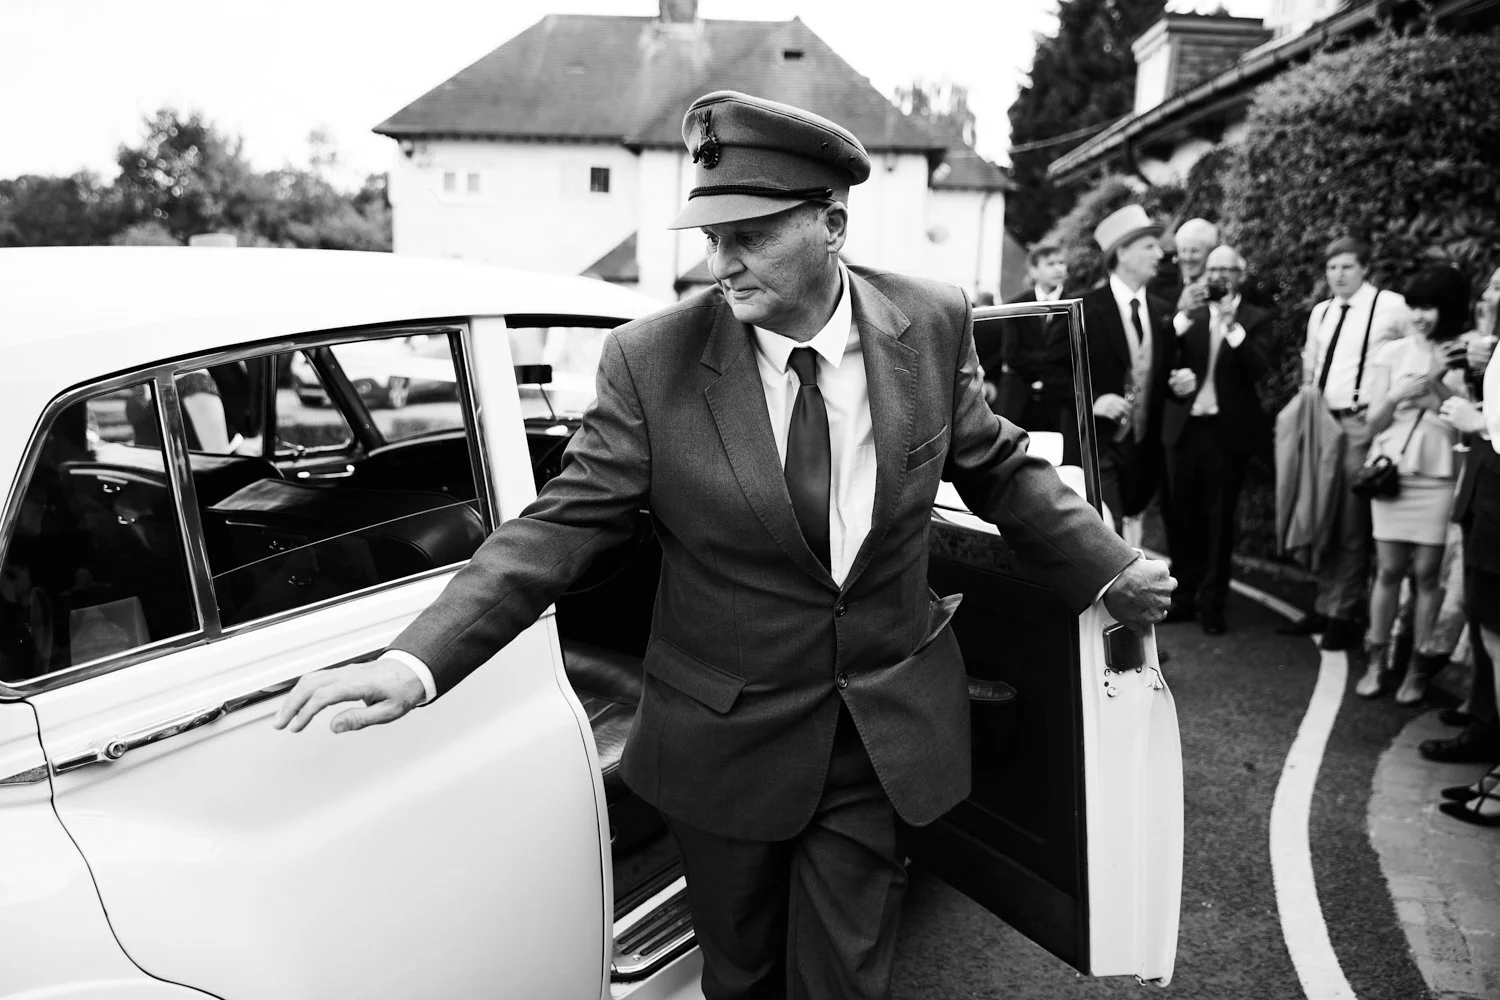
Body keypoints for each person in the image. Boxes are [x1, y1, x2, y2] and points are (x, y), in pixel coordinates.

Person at [271, 91, 1176, 1000]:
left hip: (881, 731)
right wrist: (414, 664)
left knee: (845, 983)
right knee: (741, 980)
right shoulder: (650, 359)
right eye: (711, 235)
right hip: (724, 743)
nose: (722, 262)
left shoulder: (932, 321)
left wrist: (1109, 566)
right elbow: (560, 525)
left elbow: (999, 467)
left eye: (748, 234)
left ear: (831, 222)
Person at [1279, 236, 1408, 649]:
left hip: (1359, 423)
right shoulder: (1322, 311)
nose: (1338, 275)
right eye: (1332, 268)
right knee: (1322, 515)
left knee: (1351, 522)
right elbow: (1310, 363)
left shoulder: (1390, 306)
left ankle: (1343, 612)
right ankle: (1324, 602)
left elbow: (1412, 355)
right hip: (1321, 424)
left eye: (1347, 267)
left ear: (1364, 268)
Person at [1354, 265, 1471, 700]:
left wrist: (1438, 381)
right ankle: (1376, 659)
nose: (1421, 315)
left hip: (1439, 475)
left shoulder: (1464, 353)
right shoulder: (1392, 353)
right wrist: (1398, 395)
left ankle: (1417, 668)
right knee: (1388, 570)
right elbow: (1370, 424)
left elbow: (1473, 425)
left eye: (1431, 307)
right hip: (1392, 474)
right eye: (1416, 306)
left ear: (1450, 309)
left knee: (1427, 575)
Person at [1158, 245, 1272, 635]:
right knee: (1181, 516)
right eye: (1214, 269)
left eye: (1228, 269)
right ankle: (1184, 596)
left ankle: (1213, 604)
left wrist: (1232, 327)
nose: (1219, 276)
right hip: (1185, 429)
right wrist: (1180, 317)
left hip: (1227, 434)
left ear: (1241, 274)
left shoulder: (1255, 319)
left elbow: (1259, 369)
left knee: (1219, 521)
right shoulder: (1191, 313)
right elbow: (1162, 356)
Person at [1423, 265, 1500, 764]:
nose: (1488, 293)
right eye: (1490, 284)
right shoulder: (1488, 342)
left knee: (1494, 628)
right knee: (1484, 621)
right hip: (1482, 487)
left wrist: (1476, 422)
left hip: (1494, 489)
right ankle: (1482, 720)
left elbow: (1488, 423)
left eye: (1497, 286)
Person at [1080, 204, 1175, 535]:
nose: (1159, 254)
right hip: (1099, 448)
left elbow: (1164, 373)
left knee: (1133, 528)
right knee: (1109, 532)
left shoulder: (1164, 312)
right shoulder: (1084, 309)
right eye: (1149, 245)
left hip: (1144, 448)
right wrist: (1092, 402)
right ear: (1122, 252)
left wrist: (1180, 380)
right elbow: (1051, 373)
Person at [989, 244, 1074, 448]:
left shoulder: (1076, 304)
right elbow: (1011, 355)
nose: (1058, 268)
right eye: (1051, 263)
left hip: (1059, 402)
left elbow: (1072, 354)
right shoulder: (1017, 305)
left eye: (1061, 263)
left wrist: (1038, 359)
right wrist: (1052, 359)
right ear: (1034, 270)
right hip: (1020, 399)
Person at [1149, 217, 1218, 315]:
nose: (1188, 258)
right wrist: (1180, 308)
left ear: (1210, 252)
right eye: (1183, 250)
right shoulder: (1159, 282)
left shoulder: (1221, 282)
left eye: (1195, 251)